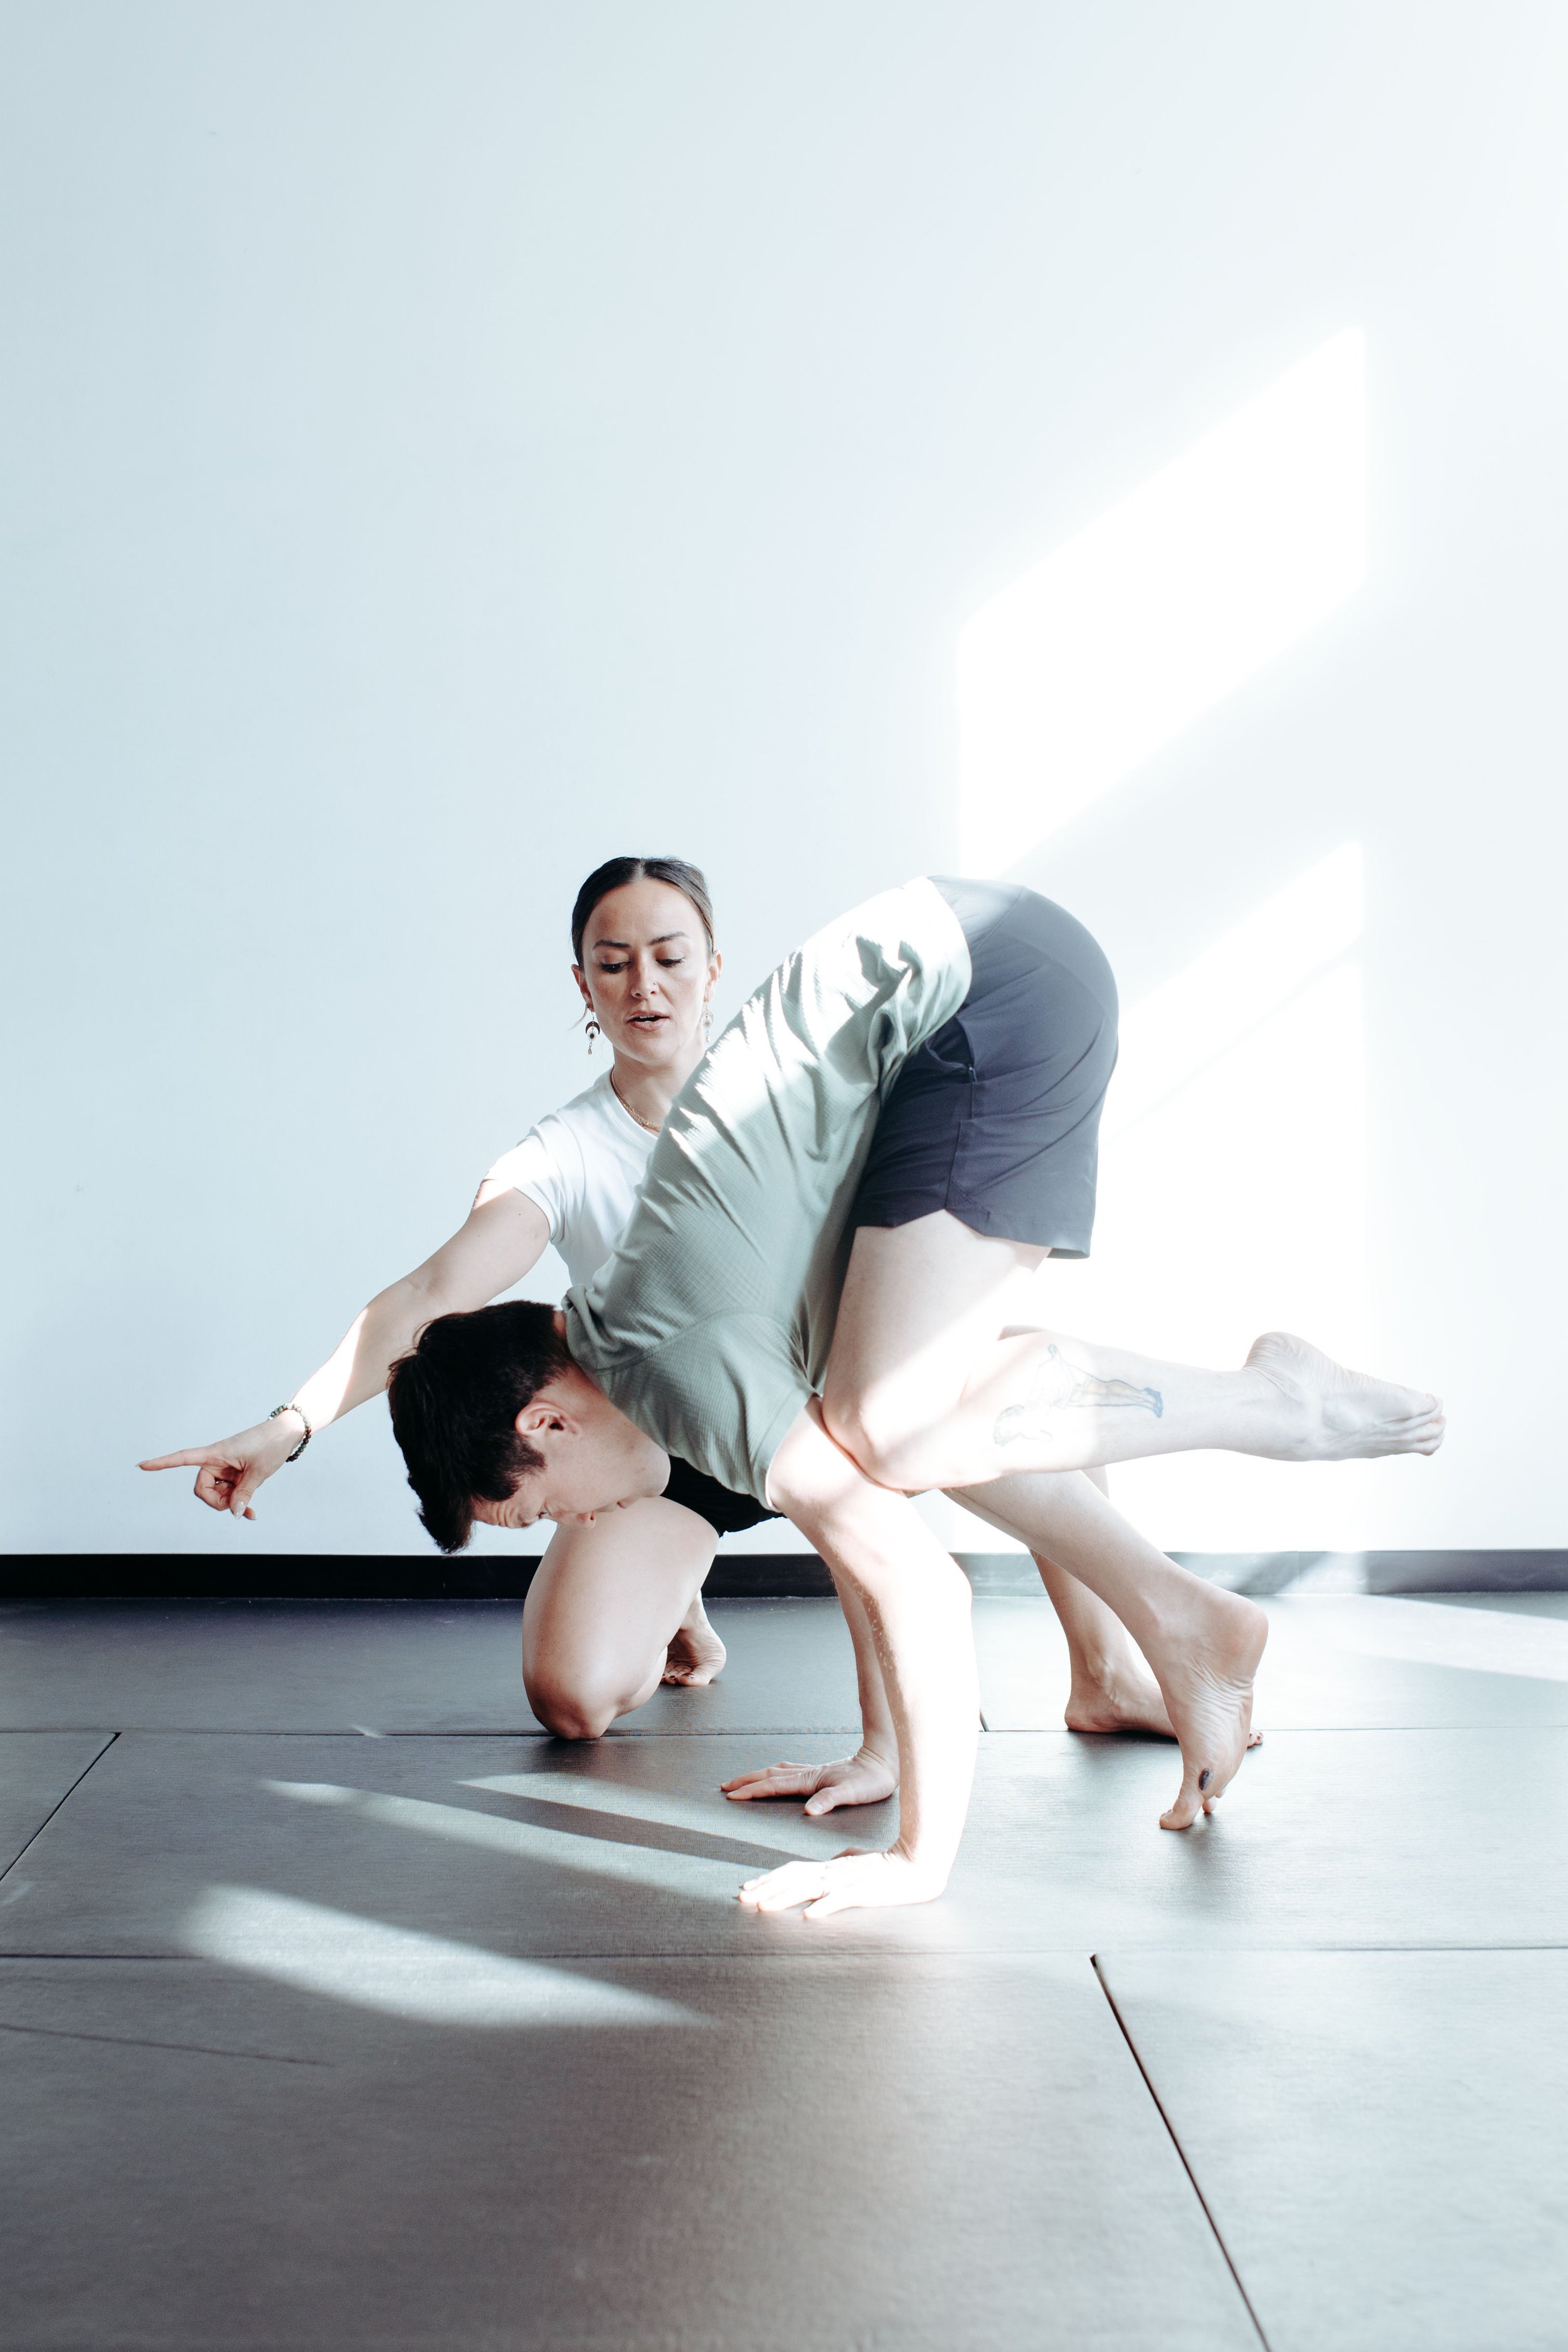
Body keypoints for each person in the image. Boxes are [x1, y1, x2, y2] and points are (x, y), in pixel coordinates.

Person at [386, 874, 1444, 1918]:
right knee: (888, 1419)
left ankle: (1276, 1403)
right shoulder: (627, 1327)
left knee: (891, 1426)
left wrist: (917, 1858)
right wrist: (883, 1747)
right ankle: (1183, 1616)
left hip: (985, 993)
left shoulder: (677, 1364)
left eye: (538, 1508)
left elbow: (919, 1583)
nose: (572, 1523)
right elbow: (852, 1517)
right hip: (979, 978)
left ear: (546, 1421)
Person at [139, 855, 1184, 1789]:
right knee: (574, 1698)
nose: (646, 983)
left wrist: (884, 1751)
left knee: (980, 1384)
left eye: (671, 955)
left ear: (714, 967)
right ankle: (678, 1594)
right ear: (585, 985)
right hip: (663, 1438)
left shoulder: (799, 1088)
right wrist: (290, 1423)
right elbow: (427, 1297)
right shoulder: (561, 1154)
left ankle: (1107, 1670)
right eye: (614, 960)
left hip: (820, 1404)